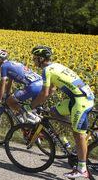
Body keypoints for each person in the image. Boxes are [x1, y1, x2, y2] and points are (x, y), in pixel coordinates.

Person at [30, 45, 94, 179]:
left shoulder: (47, 70)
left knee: (78, 134)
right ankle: (79, 129)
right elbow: (51, 90)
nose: (33, 61)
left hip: (80, 101)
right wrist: (44, 100)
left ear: (41, 59)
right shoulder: (56, 66)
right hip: (77, 98)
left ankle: (82, 168)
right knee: (54, 112)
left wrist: (33, 105)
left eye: (35, 58)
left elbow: (44, 93)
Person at [0, 49, 43, 123]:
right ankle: (33, 127)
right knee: (34, 110)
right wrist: (7, 94)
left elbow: (3, 82)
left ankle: (28, 115)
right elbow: (10, 81)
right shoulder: (12, 63)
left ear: (0, 59)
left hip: (33, 86)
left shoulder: (4, 66)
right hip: (41, 84)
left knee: (10, 101)